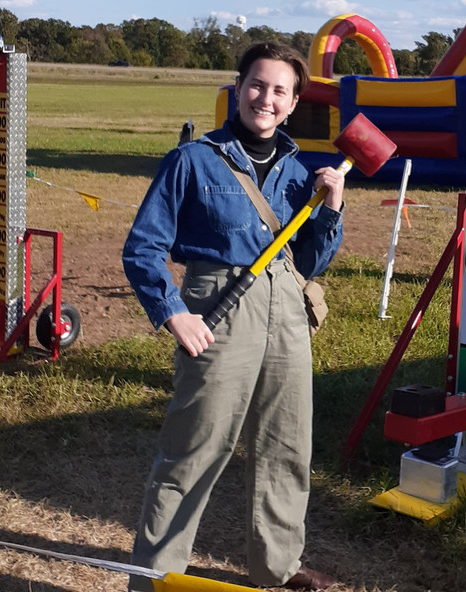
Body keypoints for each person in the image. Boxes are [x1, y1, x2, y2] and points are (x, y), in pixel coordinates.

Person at [122, 42, 344, 591]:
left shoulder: (299, 173)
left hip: (288, 314)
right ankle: (154, 579)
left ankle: (278, 570)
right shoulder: (194, 160)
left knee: (287, 450)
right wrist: (173, 313)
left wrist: (331, 209)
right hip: (219, 309)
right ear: (237, 88)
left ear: (293, 103)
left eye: (279, 91)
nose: (264, 99)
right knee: (194, 451)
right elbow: (143, 247)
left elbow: (309, 262)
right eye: (256, 85)